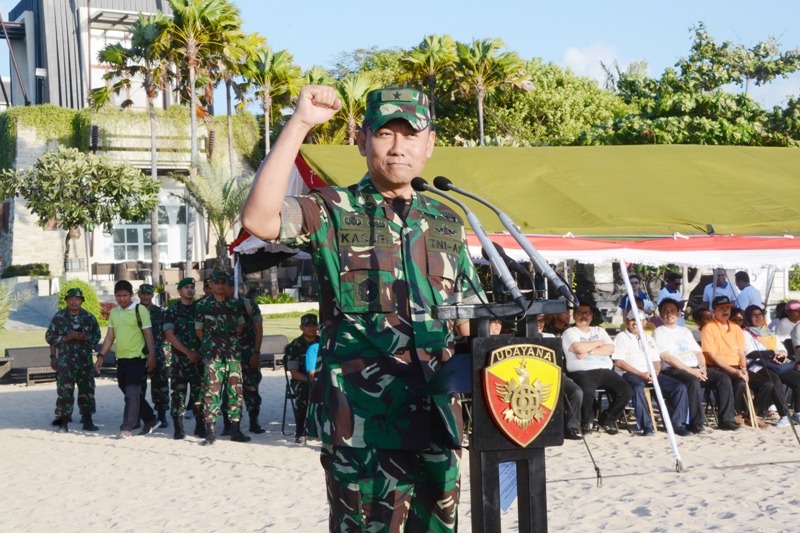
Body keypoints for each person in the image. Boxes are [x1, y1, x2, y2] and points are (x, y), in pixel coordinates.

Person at [240, 85, 485, 531]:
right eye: (384, 134)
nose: (397, 147)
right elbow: (259, 219)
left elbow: (468, 317)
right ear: (361, 140)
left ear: (429, 144)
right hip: (364, 426)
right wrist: (300, 123)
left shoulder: (447, 219)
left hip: (438, 419)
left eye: (410, 135)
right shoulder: (333, 209)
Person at [653, 298, 739, 431]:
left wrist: (702, 367)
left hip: (695, 367)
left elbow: (698, 352)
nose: (669, 314)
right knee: (693, 382)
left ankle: (726, 420)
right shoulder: (659, 332)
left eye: (672, 311)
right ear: (660, 314)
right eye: (665, 311)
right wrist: (691, 371)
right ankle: (696, 422)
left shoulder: (685, 331)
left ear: (678, 313)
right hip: (674, 369)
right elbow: (666, 357)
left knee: (723, 379)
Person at [701, 296, 785, 429]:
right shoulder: (709, 327)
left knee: (767, 383)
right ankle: (734, 415)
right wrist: (734, 371)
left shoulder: (735, 328)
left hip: (738, 366)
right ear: (713, 311)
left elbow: (741, 352)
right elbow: (710, 354)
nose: (725, 310)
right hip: (718, 367)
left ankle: (752, 415)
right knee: (739, 383)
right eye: (721, 308)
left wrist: (743, 368)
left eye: (727, 307)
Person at [613, 309, 692, 436]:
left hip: (650, 373)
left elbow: (656, 361)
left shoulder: (648, 339)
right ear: (627, 321)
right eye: (633, 320)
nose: (636, 323)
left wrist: (654, 373)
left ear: (645, 322)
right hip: (629, 373)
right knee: (638, 388)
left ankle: (677, 423)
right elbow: (619, 362)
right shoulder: (621, 337)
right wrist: (640, 374)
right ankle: (646, 425)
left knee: (679, 387)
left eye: (639, 320)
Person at [96, 280, 158, 439]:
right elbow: (110, 336)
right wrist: (101, 356)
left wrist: (151, 355)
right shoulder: (114, 312)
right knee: (128, 390)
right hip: (121, 358)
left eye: (125, 295)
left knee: (131, 392)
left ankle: (127, 428)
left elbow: (148, 334)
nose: (122, 298)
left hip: (137, 358)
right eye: (118, 296)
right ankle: (150, 418)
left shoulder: (140, 310)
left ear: (131, 295)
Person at [195, 270, 249, 444]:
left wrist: (227, 340)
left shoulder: (234, 305)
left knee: (235, 392)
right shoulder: (202, 305)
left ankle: (235, 430)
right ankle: (210, 432)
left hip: (232, 354)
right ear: (210, 285)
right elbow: (199, 330)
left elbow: (240, 327)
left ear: (226, 285)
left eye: (222, 283)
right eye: (216, 283)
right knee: (212, 391)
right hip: (213, 356)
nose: (219, 286)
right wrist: (213, 342)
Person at [562, 304, 632, 435]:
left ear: (592, 316)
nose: (583, 315)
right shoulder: (569, 332)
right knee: (587, 391)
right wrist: (599, 343)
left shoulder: (599, 330)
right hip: (582, 371)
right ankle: (587, 422)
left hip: (605, 370)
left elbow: (611, 348)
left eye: (587, 313)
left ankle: (607, 420)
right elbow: (578, 348)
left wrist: (590, 352)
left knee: (626, 390)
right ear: (574, 315)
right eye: (580, 313)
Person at [45, 287, 101, 432]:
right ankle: (63, 423)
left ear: (82, 301)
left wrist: (85, 337)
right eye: (71, 299)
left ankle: (87, 420)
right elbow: (49, 337)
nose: (74, 302)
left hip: (85, 362)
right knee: (64, 392)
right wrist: (65, 338)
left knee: (87, 391)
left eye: (77, 299)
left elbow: (97, 336)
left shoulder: (89, 317)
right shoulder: (59, 317)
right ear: (67, 301)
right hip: (65, 362)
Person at [163, 277, 205, 440]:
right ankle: (178, 427)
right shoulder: (172, 311)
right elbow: (169, 335)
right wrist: (188, 352)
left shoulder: (200, 309)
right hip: (180, 361)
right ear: (179, 291)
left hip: (198, 361)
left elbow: (205, 332)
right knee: (178, 395)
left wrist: (198, 352)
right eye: (186, 287)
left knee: (199, 394)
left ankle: (200, 425)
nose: (190, 290)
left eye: (192, 287)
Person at [224, 275, 265, 435]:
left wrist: (256, 352)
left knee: (251, 388)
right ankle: (229, 425)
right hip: (228, 355)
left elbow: (259, 329)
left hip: (248, 354)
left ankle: (254, 422)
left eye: (228, 285)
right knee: (229, 390)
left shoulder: (248, 304)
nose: (226, 289)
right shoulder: (221, 306)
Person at [740, 305, 794, 426]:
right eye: (754, 315)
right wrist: (772, 353)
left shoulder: (767, 331)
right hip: (756, 365)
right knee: (773, 379)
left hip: (775, 363)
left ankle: (798, 413)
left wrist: (781, 354)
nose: (758, 317)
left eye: (760, 314)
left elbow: (781, 348)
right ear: (748, 317)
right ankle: (784, 415)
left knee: (796, 377)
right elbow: (749, 353)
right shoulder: (745, 333)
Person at [136, 284, 169, 429]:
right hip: (138, 354)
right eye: (143, 294)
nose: (145, 297)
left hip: (157, 353)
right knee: (137, 387)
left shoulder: (160, 312)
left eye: (148, 294)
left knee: (160, 385)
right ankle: (137, 416)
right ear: (139, 295)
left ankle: (161, 416)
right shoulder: (134, 311)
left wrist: (156, 347)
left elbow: (166, 333)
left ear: (152, 295)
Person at [284, 313, 320, 444]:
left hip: (320, 379)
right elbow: (294, 373)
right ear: (301, 327)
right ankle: (300, 432)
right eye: (307, 326)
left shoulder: (323, 342)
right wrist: (311, 381)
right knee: (304, 391)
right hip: (301, 380)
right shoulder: (294, 346)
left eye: (313, 325)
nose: (311, 328)